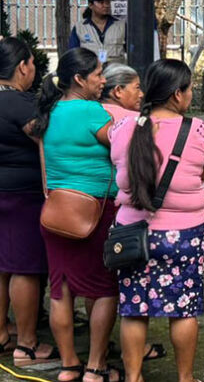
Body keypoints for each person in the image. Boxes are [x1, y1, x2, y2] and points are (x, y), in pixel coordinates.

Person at [109, 59, 204, 382]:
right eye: (189, 89)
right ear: (177, 94)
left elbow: (118, 167)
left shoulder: (123, 128)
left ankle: (133, 377)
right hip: (183, 235)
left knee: (133, 310)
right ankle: (185, 378)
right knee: (183, 309)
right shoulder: (197, 130)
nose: (190, 94)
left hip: (132, 234)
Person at [29, 49, 121, 382]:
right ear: (79, 79)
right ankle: (96, 367)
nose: (103, 80)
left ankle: (69, 365)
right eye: (98, 74)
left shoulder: (50, 110)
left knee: (61, 290)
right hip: (94, 213)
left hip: (56, 212)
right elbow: (121, 144)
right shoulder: (91, 111)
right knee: (104, 289)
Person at [0, 38, 55, 367]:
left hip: (3, 193)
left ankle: (2, 334)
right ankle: (28, 345)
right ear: (22, 66)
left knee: (3, 266)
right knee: (25, 269)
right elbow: (47, 140)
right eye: (32, 63)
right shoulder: (20, 103)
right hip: (22, 196)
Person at [69, 0, 126, 64]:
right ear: (90, 5)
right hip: (90, 70)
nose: (106, 5)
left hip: (115, 70)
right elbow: (74, 54)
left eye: (107, 2)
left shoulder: (121, 26)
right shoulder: (80, 28)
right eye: (101, 2)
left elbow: (132, 51)